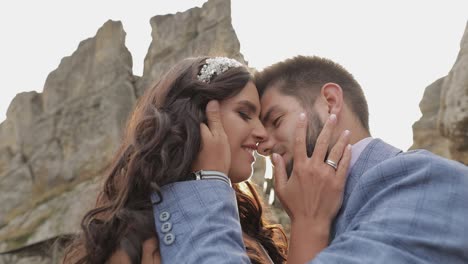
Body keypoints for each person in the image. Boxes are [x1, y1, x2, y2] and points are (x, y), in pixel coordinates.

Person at [157, 55, 468, 264]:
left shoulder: (423, 180)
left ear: (330, 103)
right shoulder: (322, 211)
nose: (263, 143)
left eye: (275, 120)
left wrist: (207, 181)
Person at [62, 56, 352, 264]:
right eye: (244, 114)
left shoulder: (250, 227)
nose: (262, 133)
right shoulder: (136, 236)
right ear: (198, 117)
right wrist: (308, 223)